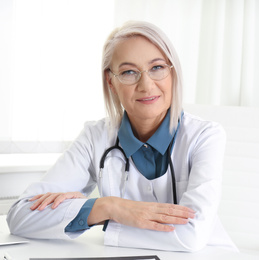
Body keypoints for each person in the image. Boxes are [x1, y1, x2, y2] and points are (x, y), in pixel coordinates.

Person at [7, 20, 237, 252]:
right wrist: (109, 207)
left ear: (172, 72)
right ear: (111, 82)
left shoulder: (205, 136)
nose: (146, 85)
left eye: (157, 67)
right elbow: (20, 216)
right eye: (129, 72)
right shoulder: (95, 137)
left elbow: (191, 236)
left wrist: (101, 218)